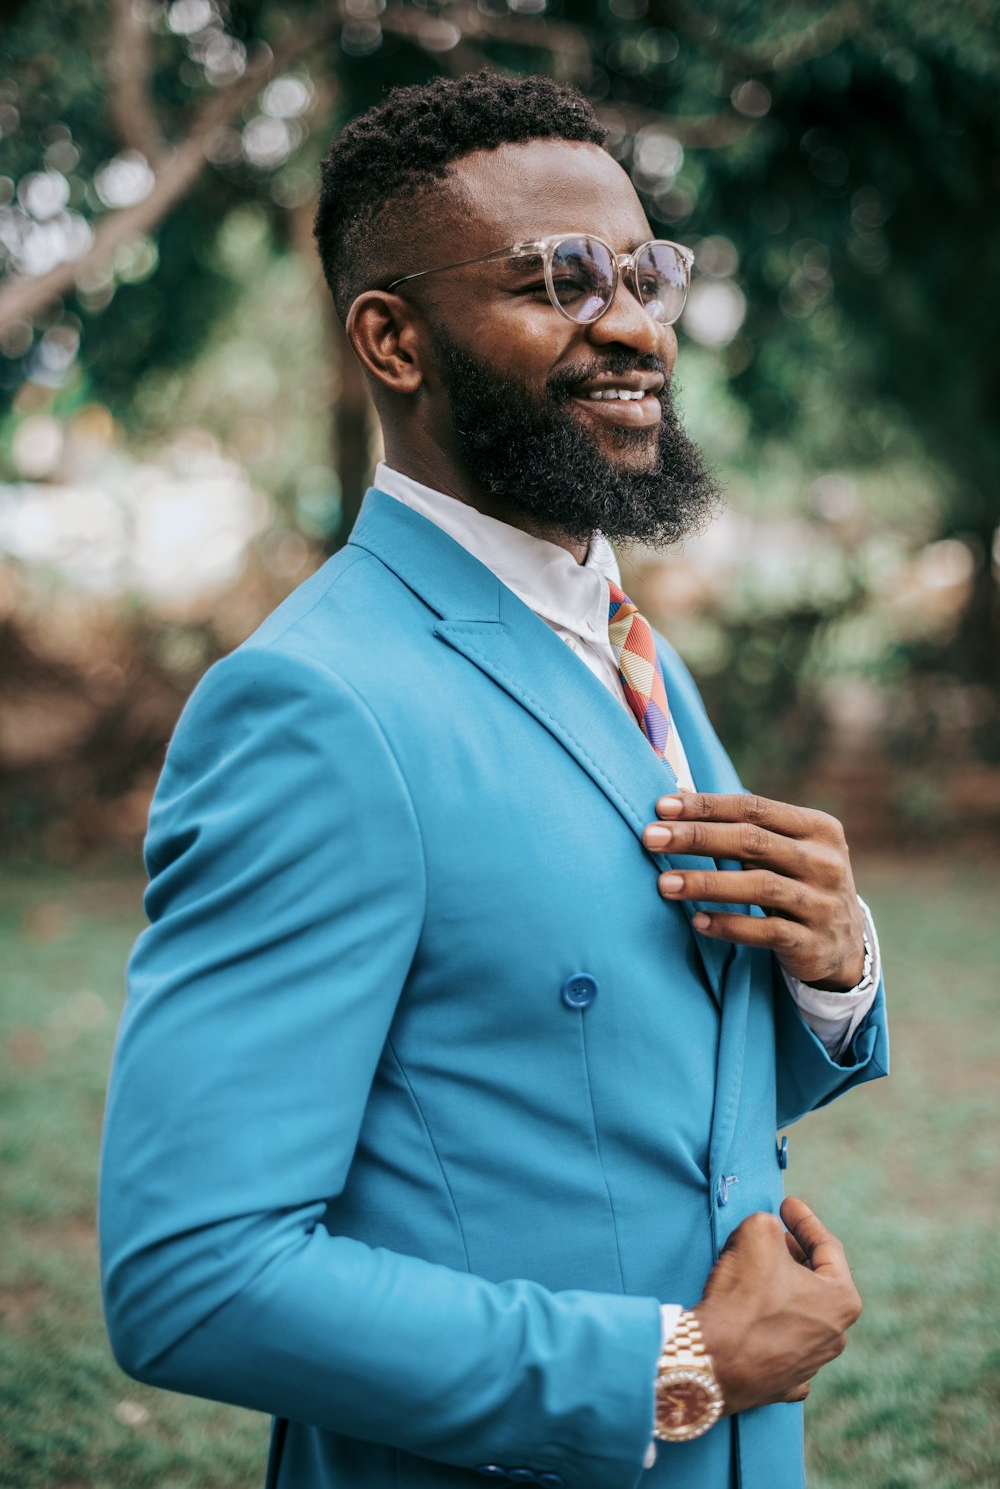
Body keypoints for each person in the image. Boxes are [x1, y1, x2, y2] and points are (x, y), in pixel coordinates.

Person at [99, 72, 888, 1489]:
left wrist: (833, 974)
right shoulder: (317, 707)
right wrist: (674, 1368)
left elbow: (619, 1073)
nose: (636, 323)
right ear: (393, 339)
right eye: (561, 280)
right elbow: (192, 1278)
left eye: (645, 272)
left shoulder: (627, 647)